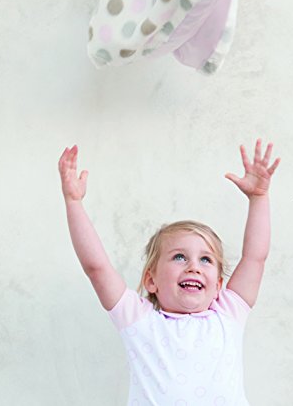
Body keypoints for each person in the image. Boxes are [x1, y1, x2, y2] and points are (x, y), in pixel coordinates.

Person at [58, 140, 280, 405]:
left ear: (218, 285)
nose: (193, 267)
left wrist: (259, 198)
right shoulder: (138, 319)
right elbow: (97, 268)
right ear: (151, 280)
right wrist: (73, 202)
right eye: (179, 257)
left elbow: (255, 258)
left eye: (206, 259)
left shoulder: (228, 313)